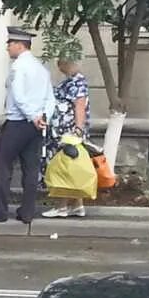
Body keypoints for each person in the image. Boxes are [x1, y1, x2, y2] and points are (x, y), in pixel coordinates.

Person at [0, 27, 55, 224]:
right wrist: (44, 117)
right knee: (31, 169)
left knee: (2, 166)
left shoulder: (19, 67)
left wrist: (32, 115)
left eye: (10, 44)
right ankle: (27, 212)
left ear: (20, 45)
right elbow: (50, 98)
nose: (7, 48)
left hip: (18, 123)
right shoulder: (41, 68)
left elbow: (18, 95)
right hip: (36, 126)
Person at [41, 59, 91, 219]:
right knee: (71, 169)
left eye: (61, 63)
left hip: (67, 134)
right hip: (64, 132)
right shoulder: (73, 81)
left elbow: (79, 106)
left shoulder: (77, 82)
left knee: (62, 169)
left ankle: (61, 206)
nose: (59, 66)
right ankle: (77, 204)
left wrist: (77, 129)